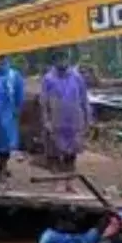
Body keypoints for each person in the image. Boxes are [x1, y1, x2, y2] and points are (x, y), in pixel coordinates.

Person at [41, 54, 90, 192]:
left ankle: (70, 182)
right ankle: (58, 182)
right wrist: (46, 121)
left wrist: (87, 119)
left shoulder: (77, 77)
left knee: (72, 154)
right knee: (56, 153)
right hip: (56, 120)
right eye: (59, 59)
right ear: (54, 61)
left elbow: (84, 99)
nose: (62, 62)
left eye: (64, 59)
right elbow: (43, 102)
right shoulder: (48, 79)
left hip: (74, 120)